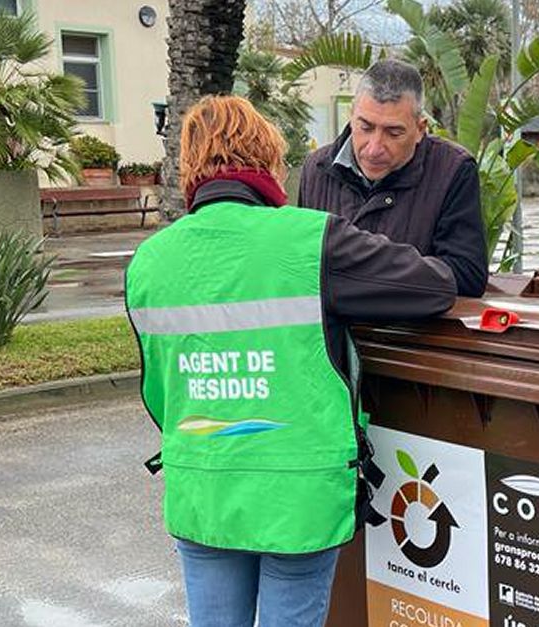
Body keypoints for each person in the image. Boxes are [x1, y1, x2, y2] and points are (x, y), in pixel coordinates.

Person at [125, 95, 457, 627]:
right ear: (266, 159)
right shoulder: (311, 240)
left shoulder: (149, 261)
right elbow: (436, 285)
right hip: (297, 494)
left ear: (188, 165)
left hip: (202, 484)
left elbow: (158, 392)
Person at [299, 59, 488, 297]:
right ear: (351, 115)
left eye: (394, 133)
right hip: (330, 333)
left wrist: (362, 262)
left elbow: (467, 276)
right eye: (365, 127)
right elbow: (302, 266)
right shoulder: (316, 169)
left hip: (411, 332)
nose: (374, 148)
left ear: (421, 129)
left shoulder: (453, 170)